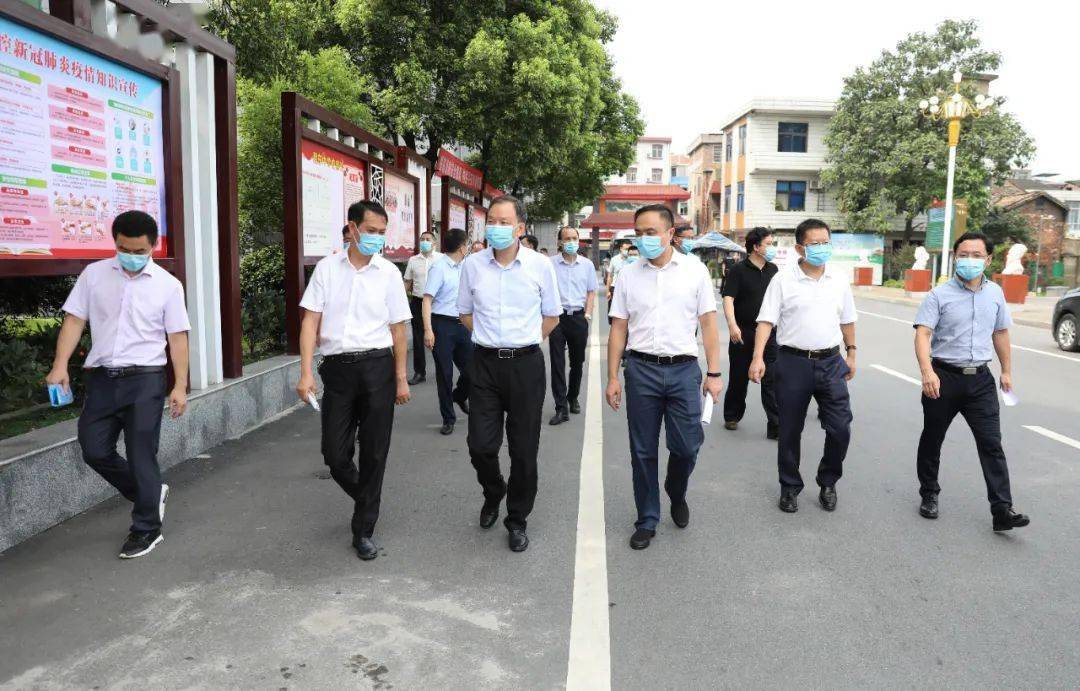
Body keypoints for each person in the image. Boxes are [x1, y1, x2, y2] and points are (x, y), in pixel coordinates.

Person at [46, 210, 190, 559]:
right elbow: (74, 320)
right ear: (115, 243)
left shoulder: (168, 285)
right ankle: (150, 494)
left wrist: (180, 385)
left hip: (145, 379)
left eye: (140, 251)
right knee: (93, 448)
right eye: (125, 248)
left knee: (142, 454)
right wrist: (60, 365)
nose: (132, 256)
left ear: (153, 246)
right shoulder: (94, 275)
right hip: (103, 379)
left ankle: (146, 528)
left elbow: (178, 338)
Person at [296, 200, 412, 561]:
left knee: (375, 451)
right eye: (371, 230)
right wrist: (305, 373)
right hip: (338, 369)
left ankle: (363, 529)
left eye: (381, 232)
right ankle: (367, 497)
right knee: (334, 453)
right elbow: (310, 322)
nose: (376, 238)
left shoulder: (389, 273)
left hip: (379, 367)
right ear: (352, 228)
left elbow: (398, 330)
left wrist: (402, 378)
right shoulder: (328, 270)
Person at [606, 204, 724, 550]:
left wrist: (714, 373)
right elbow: (618, 328)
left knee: (687, 445)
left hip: (684, 370)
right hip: (640, 369)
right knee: (642, 451)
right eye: (639, 232)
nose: (644, 239)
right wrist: (612, 376)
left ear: (670, 233)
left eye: (651, 232)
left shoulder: (694, 271)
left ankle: (676, 488)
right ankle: (647, 518)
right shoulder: (629, 273)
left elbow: (708, 325)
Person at [457, 195, 561, 552]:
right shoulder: (472, 265)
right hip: (484, 364)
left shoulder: (539, 266)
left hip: (526, 366)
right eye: (492, 221)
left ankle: (517, 519)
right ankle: (493, 490)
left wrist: (524, 341)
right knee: (480, 446)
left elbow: (552, 316)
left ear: (520, 228)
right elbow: (465, 313)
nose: (496, 228)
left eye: (504, 222)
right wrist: (491, 339)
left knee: (523, 451)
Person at [913, 232, 1029, 531]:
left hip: (980, 380)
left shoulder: (996, 294)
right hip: (943, 377)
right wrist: (927, 372)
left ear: (988, 259)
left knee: (991, 443)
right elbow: (923, 334)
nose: (970, 260)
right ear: (954, 257)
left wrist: (1006, 370)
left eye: (977, 255)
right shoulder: (939, 295)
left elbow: (1001, 333)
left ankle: (1002, 509)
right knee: (933, 438)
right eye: (964, 254)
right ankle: (929, 494)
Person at [750, 218, 856, 514]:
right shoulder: (783, 280)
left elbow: (847, 319)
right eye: (814, 244)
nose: (822, 248)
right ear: (799, 248)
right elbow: (766, 321)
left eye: (826, 242)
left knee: (840, 428)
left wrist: (852, 352)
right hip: (792, 362)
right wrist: (758, 357)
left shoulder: (839, 279)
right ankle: (789, 486)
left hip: (831, 362)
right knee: (789, 430)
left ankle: (828, 480)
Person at [722, 227, 779, 438]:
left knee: (772, 380)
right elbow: (728, 298)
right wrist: (732, 325)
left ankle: (776, 424)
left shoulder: (774, 270)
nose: (772, 248)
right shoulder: (739, 269)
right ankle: (732, 416)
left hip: (770, 334)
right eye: (769, 244)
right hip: (743, 332)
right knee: (739, 378)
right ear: (756, 247)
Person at [422, 228, 472, 435]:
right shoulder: (438, 268)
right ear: (462, 247)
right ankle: (448, 418)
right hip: (442, 326)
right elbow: (427, 300)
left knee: (473, 370)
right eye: (467, 245)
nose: (468, 248)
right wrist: (428, 330)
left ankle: (459, 395)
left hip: (464, 324)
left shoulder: (468, 266)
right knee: (445, 373)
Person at [549, 226, 598, 425]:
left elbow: (591, 291)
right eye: (567, 238)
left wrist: (587, 314)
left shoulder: (587, 265)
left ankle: (573, 397)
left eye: (574, 238)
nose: (571, 242)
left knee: (577, 362)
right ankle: (561, 407)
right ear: (560, 242)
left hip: (578, 318)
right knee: (557, 363)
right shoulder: (550, 264)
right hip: (557, 319)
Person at [403, 231, 439, 384]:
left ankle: (442, 369)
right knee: (418, 339)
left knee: (439, 338)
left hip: (437, 304)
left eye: (428, 239)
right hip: (418, 302)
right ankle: (419, 372)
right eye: (422, 239)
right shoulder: (413, 260)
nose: (425, 241)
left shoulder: (441, 259)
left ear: (434, 243)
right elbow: (407, 283)